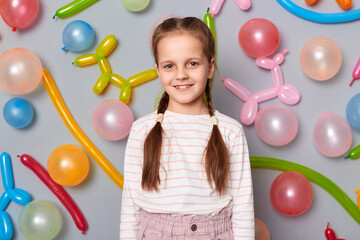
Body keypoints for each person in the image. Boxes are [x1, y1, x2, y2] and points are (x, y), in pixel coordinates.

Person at [120, 17, 254, 240]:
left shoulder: (230, 131)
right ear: (158, 70)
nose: (181, 74)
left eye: (192, 63)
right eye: (169, 66)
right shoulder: (141, 130)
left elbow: (243, 206)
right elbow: (130, 203)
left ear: (210, 67)